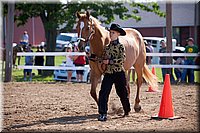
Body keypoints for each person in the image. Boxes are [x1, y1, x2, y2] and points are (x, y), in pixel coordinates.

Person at [98, 23, 131, 121]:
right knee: (103, 92)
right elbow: (103, 58)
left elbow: (122, 59)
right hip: (108, 73)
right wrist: (97, 58)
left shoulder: (121, 47)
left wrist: (110, 61)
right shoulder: (107, 47)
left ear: (118, 34)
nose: (110, 34)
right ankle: (102, 113)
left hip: (119, 73)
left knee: (122, 93)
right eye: (110, 32)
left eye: (112, 33)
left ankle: (126, 109)